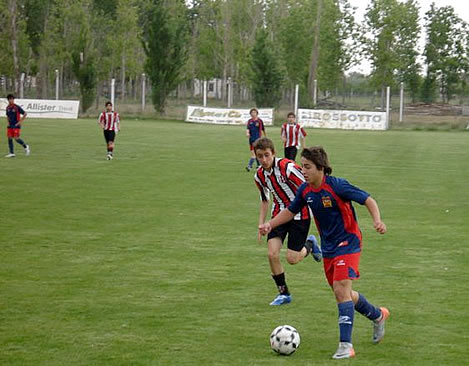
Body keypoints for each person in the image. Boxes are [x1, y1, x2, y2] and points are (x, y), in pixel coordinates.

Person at [259, 146, 389, 359]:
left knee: (341, 290)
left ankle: (346, 346)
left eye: (308, 167)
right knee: (344, 293)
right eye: (302, 167)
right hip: (328, 247)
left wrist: (377, 220)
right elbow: (290, 211)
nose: (304, 171)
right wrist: (269, 225)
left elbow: (368, 199)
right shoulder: (306, 190)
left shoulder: (337, 185)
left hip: (348, 243)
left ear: (321, 168)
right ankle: (378, 315)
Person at [253, 137, 321, 306]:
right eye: (260, 156)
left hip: (299, 213)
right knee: (272, 253)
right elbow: (264, 200)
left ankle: (310, 244)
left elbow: (307, 186)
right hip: (279, 215)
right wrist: (261, 224)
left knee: (292, 259)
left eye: (267, 155)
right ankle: (284, 294)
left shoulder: (287, 167)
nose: (264, 160)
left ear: (274, 153)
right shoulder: (259, 175)